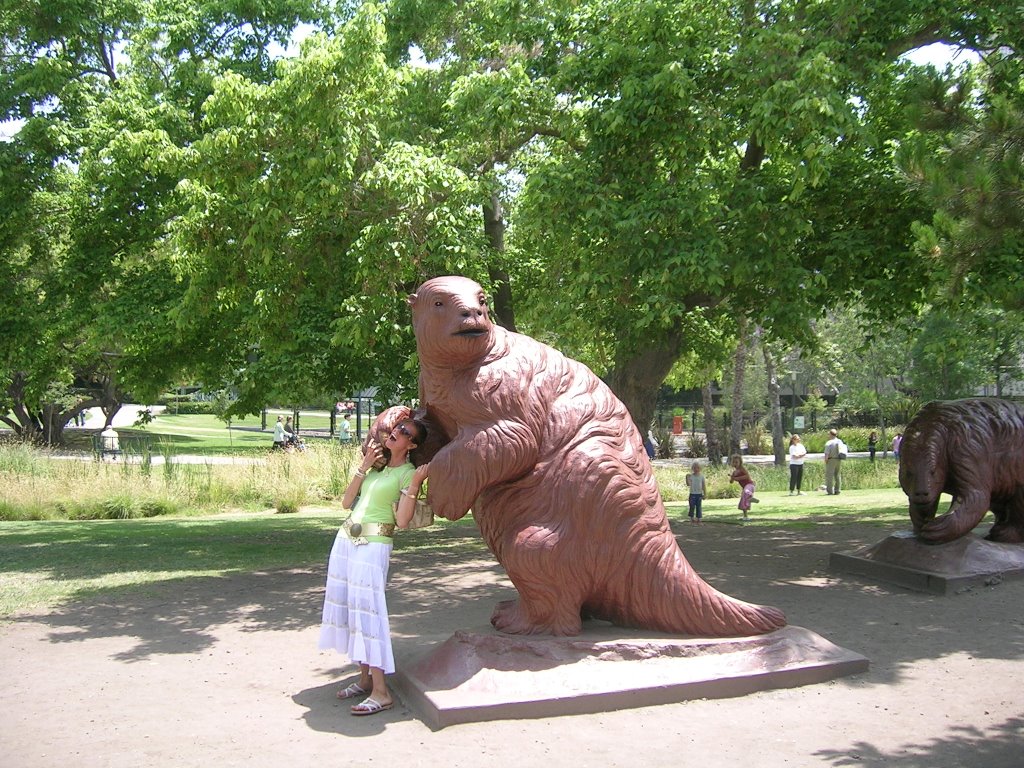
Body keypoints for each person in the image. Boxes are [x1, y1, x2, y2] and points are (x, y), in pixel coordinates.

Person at [319, 416, 429, 717]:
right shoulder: (376, 467)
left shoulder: (408, 474)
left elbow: (404, 521)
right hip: (346, 539)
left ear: (412, 444)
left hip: (374, 544)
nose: (396, 433)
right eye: (396, 428)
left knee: (369, 612)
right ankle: (365, 679)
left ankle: (382, 692)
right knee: (353, 609)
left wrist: (416, 483)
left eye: (404, 432)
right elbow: (346, 502)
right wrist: (364, 465)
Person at [729, 454, 759, 520]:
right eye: (734, 462)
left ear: (740, 462)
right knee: (743, 501)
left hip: (749, 485)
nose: (735, 464)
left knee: (746, 492)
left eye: (736, 462)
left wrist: (737, 478)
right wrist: (732, 478)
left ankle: (751, 498)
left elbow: (747, 476)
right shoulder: (734, 472)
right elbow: (731, 482)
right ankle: (745, 516)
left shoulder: (742, 469)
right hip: (745, 487)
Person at [823, 428, 844, 495]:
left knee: (829, 476)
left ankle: (830, 491)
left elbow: (827, 453)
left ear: (830, 434)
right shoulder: (840, 441)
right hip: (838, 459)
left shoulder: (829, 443)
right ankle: (837, 490)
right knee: (837, 475)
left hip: (831, 459)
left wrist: (826, 460)